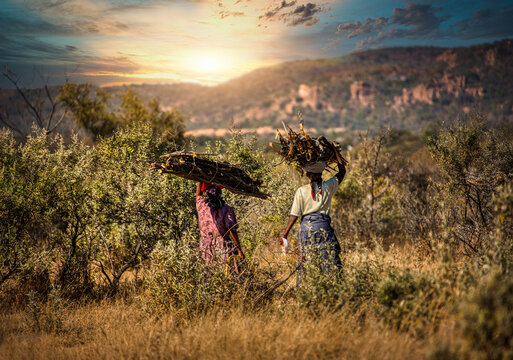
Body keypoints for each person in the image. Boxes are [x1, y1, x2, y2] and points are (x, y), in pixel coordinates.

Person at [282, 144, 346, 278]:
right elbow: (342, 171)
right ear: (320, 174)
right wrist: (335, 152)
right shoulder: (328, 187)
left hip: (306, 231)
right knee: (330, 262)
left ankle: (304, 291)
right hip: (324, 229)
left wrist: (285, 234)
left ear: (308, 175)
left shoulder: (301, 191)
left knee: (305, 264)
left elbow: (294, 215)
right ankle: (335, 290)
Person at [196, 182, 244, 274]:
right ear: (220, 193)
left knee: (210, 278)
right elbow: (231, 229)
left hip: (205, 248)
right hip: (223, 247)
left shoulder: (201, 206)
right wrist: (239, 250)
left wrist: (200, 179)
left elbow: (198, 195)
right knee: (230, 275)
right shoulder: (226, 209)